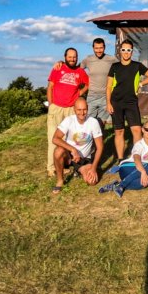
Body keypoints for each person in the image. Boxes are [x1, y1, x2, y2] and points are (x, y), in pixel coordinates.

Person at [106, 40, 148, 161]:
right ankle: (120, 159)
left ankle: (136, 157)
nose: (126, 52)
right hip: (116, 102)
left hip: (131, 103)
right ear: (120, 51)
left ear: (132, 52)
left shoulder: (137, 66)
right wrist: (108, 103)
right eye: (123, 50)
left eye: (128, 50)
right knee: (119, 131)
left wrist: (141, 84)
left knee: (137, 130)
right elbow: (108, 86)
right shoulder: (114, 66)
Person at [46, 47, 89, 176]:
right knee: (53, 138)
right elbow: (50, 87)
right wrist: (51, 104)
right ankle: (51, 168)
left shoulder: (80, 71)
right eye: (70, 57)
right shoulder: (58, 68)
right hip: (56, 108)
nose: (72, 59)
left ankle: (64, 164)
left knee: (68, 140)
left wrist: (79, 94)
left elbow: (88, 84)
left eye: (74, 57)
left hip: (71, 109)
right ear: (65, 57)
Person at [99, 120, 148, 197]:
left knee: (145, 183)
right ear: (143, 130)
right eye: (147, 130)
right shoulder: (139, 144)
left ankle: (116, 185)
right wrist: (143, 171)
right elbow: (136, 159)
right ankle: (121, 185)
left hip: (135, 174)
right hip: (126, 168)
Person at [51, 97, 103, 194]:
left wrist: (93, 168)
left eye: (84, 109)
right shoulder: (69, 120)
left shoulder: (93, 122)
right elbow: (55, 138)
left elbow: (100, 148)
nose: (82, 113)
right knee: (58, 151)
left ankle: (79, 170)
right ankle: (60, 181)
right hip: (69, 156)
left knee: (92, 181)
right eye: (79, 110)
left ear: (88, 108)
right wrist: (73, 150)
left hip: (84, 158)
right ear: (74, 109)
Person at [80, 37, 116, 126]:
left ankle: (100, 135)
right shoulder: (88, 59)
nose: (99, 50)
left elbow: (123, 67)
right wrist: (61, 63)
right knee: (88, 122)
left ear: (104, 47)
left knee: (101, 123)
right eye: (96, 48)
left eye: (101, 48)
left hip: (105, 96)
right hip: (92, 96)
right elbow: (76, 69)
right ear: (93, 48)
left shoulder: (111, 59)